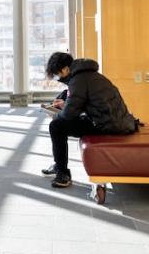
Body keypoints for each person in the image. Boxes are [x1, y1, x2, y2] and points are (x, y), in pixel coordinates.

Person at [41, 52, 137, 188]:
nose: (59, 77)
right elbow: (86, 102)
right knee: (61, 120)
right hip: (116, 121)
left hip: (107, 125)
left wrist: (54, 114)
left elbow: (69, 115)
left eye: (58, 74)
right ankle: (59, 165)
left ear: (65, 69)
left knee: (56, 126)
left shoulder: (78, 80)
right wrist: (65, 104)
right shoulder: (89, 75)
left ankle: (62, 173)